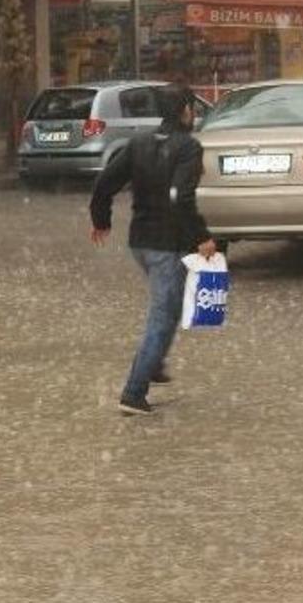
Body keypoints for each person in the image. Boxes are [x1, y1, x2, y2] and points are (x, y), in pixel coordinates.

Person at [89, 85, 217, 416]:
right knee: (161, 316)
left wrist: (101, 220)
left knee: (169, 303)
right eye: (191, 108)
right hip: (167, 245)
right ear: (185, 111)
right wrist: (201, 236)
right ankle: (133, 392)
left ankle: (154, 362)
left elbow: (104, 184)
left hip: (141, 243)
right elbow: (179, 196)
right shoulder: (188, 147)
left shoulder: (139, 143)